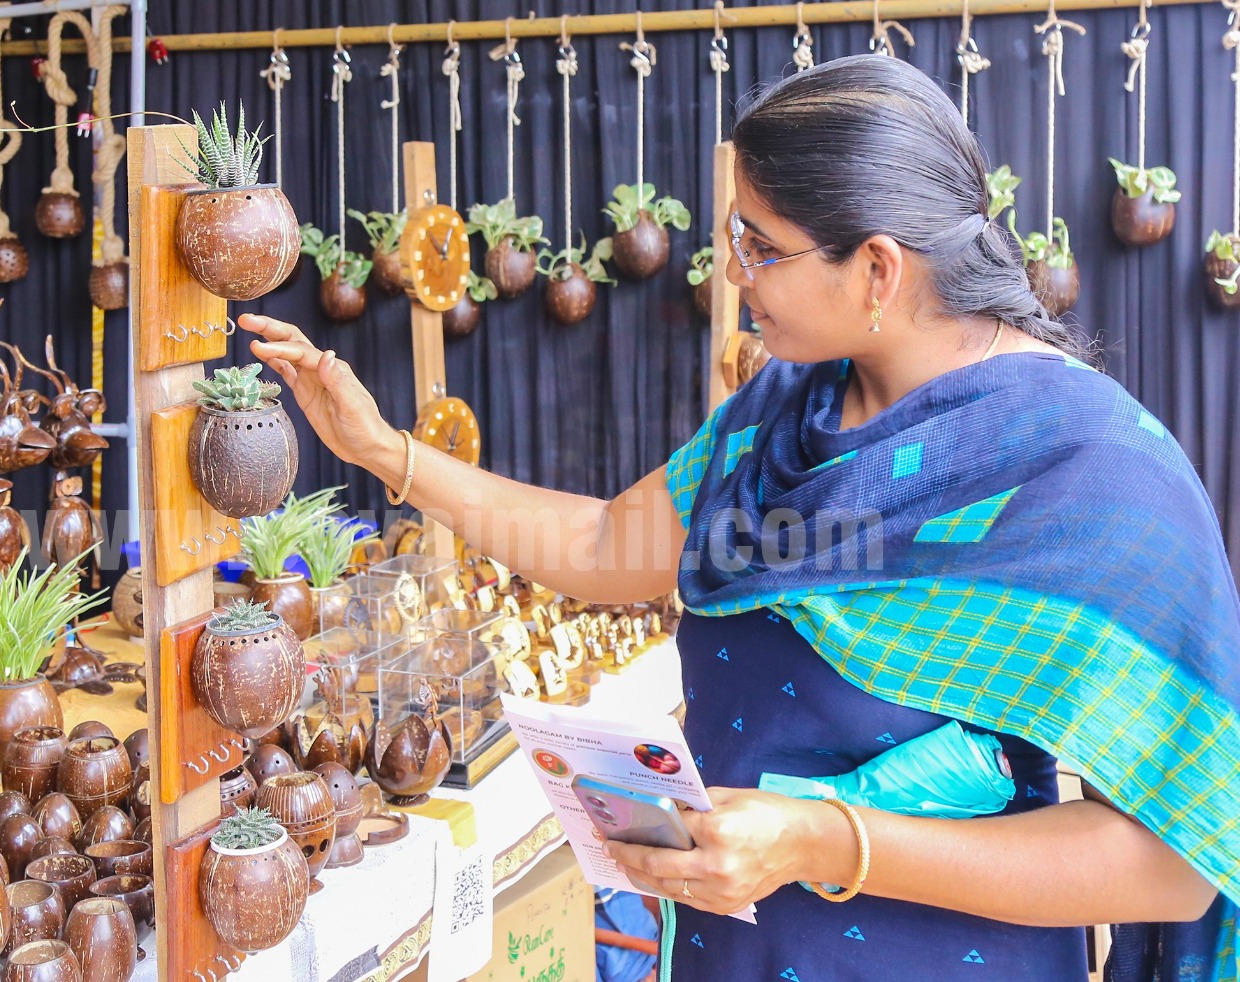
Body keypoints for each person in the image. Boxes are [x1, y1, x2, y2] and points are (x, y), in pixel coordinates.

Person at [239, 54, 1239, 982]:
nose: (732, 272)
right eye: (734, 237)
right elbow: (605, 545)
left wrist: (822, 841)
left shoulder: (1089, 467)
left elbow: (1171, 867)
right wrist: (386, 452)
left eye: (760, 247)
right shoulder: (781, 414)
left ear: (879, 270)